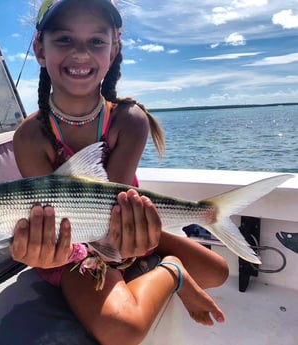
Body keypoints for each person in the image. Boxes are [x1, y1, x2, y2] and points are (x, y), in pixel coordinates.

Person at [11, 0, 229, 344]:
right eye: (65, 39)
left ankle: (164, 261)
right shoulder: (29, 135)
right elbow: (47, 219)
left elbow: (115, 205)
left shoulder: (129, 119)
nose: (81, 54)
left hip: (124, 226)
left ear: (115, 49)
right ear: (40, 49)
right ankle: (173, 273)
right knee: (122, 332)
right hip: (69, 249)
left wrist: (132, 243)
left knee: (219, 271)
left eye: (96, 41)